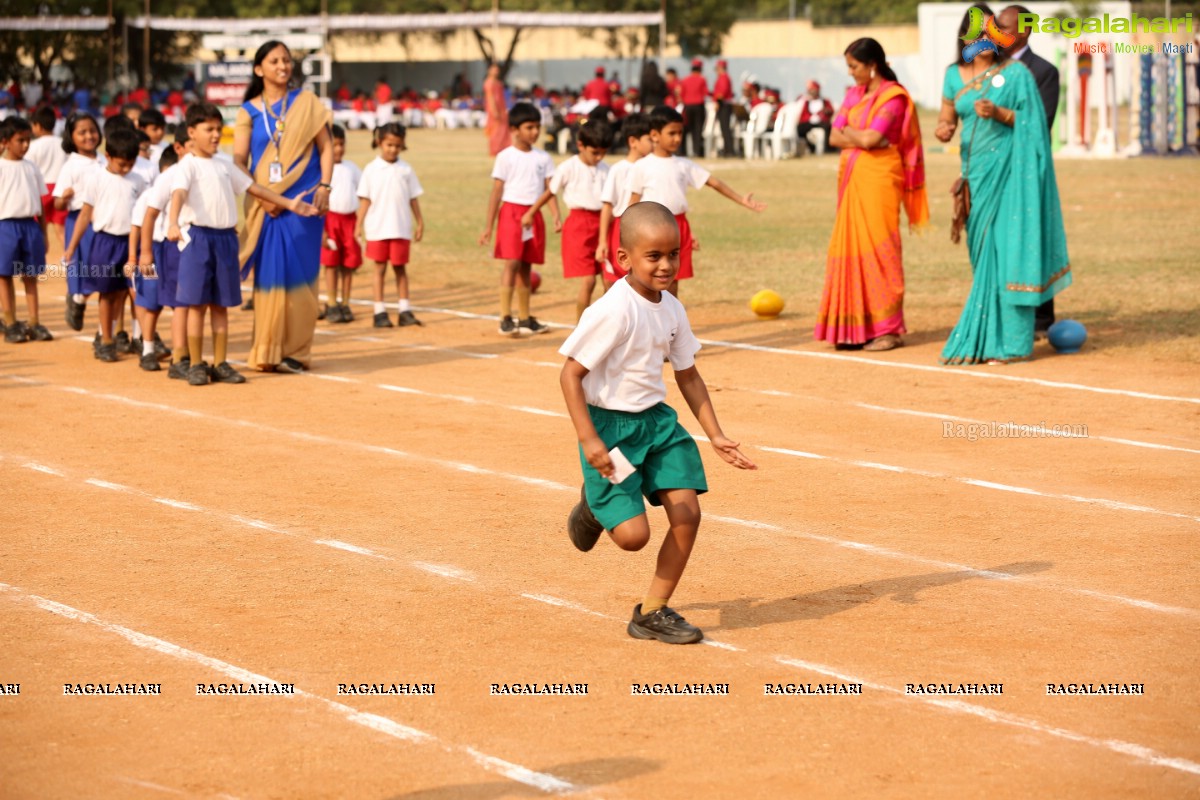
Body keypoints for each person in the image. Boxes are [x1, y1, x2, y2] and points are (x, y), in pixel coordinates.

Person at [559, 201, 757, 645]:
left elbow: (687, 374)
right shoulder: (613, 311)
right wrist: (588, 438)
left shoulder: (672, 309)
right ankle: (595, 506)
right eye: (654, 256)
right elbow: (570, 374)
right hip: (611, 433)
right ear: (623, 258)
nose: (666, 265)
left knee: (687, 513)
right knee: (633, 538)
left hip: (658, 427)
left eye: (674, 254)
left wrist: (716, 434)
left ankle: (652, 611)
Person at [935, 3, 1070, 365]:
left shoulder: (1016, 74)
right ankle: (985, 338)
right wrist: (944, 129)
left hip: (1011, 177)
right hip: (974, 177)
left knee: (1009, 253)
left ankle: (1011, 343)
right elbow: (946, 119)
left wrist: (1000, 113)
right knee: (982, 258)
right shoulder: (953, 74)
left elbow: (1036, 124)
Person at [169, 102, 318, 386]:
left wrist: (289, 204)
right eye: (208, 129)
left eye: (218, 129)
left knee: (221, 306)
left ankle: (221, 362)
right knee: (197, 305)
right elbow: (178, 194)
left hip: (226, 239)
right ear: (191, 132)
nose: (215, 135)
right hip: (198, 239)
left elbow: (255, 188)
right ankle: (197, 363)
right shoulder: (187, 165)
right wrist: (173, 222)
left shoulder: (225, 164)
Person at [816, 38, 928, 352]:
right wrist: (859, 138)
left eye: (854, 66)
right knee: (849, 248)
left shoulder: (893, 97)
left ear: (872, 65)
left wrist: (855, 135)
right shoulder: (853, 94)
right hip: (853, 180)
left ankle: (888, 329)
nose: (850, 73)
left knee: (881, 250)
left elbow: (872, 137)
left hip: (880, 180)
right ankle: (855, 329)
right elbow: (834, 136)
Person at [233, 40, 333, 374]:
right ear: (259, 69)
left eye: (287, 60)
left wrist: (325, 186)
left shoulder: (308, 103)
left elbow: (327, 148)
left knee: (302, 279)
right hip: (267, 206)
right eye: (275, 61)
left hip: (304, 203)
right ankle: (268, 350)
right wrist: (263, 197)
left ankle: (297, 352)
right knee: (270, 279)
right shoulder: (247, 112)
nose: (283, 66)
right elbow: (238, 161)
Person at [627, 106, 766, 296]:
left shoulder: (683, 165)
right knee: (647, 279)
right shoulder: (642, 166)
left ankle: (670, 323)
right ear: (655, 134)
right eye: (672, 133)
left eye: (680, 133)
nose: (677, 138)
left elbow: (714, 182)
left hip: (678, 226)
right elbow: (633, 203)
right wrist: (628, 234)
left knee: (672, 281)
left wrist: (741, 200)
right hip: (651, 228)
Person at [998, 3, 1061, 339]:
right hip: (994, 168)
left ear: (1023, 31)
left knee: (1033, 238)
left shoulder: (1044, 71)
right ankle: (1005, 309)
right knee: (1002, 243)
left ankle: (1040, 319)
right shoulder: (991, 67)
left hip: (1028, 169)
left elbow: (1042, 123)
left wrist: (1000, 115)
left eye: (1002, 29)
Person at [61, 129, 146, 363]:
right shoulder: (96, 178)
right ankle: (106, 339)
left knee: (128, 292)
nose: (126, 168)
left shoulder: (138, 181)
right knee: (107, 293)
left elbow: (144, 215)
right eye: (122, 164)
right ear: (108, 156)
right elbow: (85, 214)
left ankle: (138, 337)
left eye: (131, 163)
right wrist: (71, 247)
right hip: (105, 243)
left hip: (130, 243)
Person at [478, 102, 558, 336]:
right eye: (529, 127)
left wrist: (555, 215)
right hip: (511, 213)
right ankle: (505, 316)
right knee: (511, 262)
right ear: (514, 129)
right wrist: (488, 227)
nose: (534, 132)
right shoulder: (506, 157)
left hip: (534, 213)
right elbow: (497, 192)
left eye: (537, 127)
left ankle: (524, 317)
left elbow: (549, 189)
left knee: (526, 265)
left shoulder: (543, 157)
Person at [523, 118, 613, 320]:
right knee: (589, 280)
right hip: (579, 225)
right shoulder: (567, 167)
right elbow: (550, 192)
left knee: (610, 281)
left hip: (605, 223)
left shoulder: (608, 170)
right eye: (595, 152)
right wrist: (532, 212)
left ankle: (612, 326)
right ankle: (581, 327)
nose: (599, 157)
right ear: (581, 145)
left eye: (603, 152)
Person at [356, 122, 424, 329]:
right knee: (379, 269)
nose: (393, 149)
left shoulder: (406, 170)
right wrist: (358, 224)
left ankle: (404, 310)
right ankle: (379, 311)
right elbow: (365, 200)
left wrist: (420, 222)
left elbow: (413, 198)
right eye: (389, 145)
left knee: (400, 269)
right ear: (379, 143)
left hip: (401, 228)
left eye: (397, 146)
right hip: (378, 228)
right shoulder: (371, 169)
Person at [0, 117, 52, 343]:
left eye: (28, 140)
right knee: (4, 275)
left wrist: (43, 231)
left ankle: (34, 321)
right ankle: (10, 321)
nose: (25, 145)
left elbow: (39, 204)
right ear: (5, 141)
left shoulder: (32, 167)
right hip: (5, 225)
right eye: (20, 140)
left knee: (30, 275)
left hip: (30, 225)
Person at [53, 112, 105, 335]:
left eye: (92, 131)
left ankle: (81, 299)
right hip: (80, 223)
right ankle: (76, 298)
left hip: (104, 221)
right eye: (82, 132)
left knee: (104, 271)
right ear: (71, 137)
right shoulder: (71, 166)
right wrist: (64, 198)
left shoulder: (106, 160)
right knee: (82, 268)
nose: (89, 136)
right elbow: (56, 205)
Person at [132, 146, 182, 372]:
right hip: (151, 249)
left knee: (179, 302)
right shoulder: (148, 195)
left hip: (175, 249)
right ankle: (148, 349)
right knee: (150, 301)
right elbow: (137, 226)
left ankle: (182, 354)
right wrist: (139, 255)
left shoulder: (185, 192)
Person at [597, 113, 653, 285]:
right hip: (621, 228)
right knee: (614, 279)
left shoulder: (652, 167)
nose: (654, 143)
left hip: (646, 228)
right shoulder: (618, 170)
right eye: (649, 139)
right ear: (633, 142)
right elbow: (607, 207)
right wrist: (602, 242)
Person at [320, 124, 362, 324]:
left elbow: (363, 194)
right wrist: (323, 230)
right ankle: (331, 302)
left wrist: (360, 224)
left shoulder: (352, 168)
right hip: (330, 220)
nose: (338, 149)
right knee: (331, 263)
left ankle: (345, 302)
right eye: (334, 145)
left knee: (348, 263)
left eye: (341, 144)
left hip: (349, 221)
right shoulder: (321, 168)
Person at [27, 107, 67, 255]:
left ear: (38, 125)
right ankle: (71, 257)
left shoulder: (32, 146)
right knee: (60, 228)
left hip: (41, 189)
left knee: (37, 226)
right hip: (60, 189)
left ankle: (35, 255)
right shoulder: (63, 143)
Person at [679, 59, 708, 158]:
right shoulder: (702, 79)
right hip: (698, 106)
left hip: (687, 107)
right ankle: (697, 151)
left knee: (686, 129)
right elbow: (705, 92)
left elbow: (681, 95)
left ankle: (683, 151)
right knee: (698, 129)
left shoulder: (685, 80)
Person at [796, 80, 835, 153]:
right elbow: (802, 115)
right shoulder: (806, 102)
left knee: (827, 128)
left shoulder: (825, 101)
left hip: (821, 122)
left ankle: (827, 149)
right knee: (800, 129)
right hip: (809, 123)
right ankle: (810, 148)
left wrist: (826, 111)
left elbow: (831, 111)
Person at [483, 63, 512, 157]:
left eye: (497, 70)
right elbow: (490, 98)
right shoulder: (489, 82)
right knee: (495, 131)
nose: (496, 72)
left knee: (504, 130)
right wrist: (494, 110)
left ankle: (503, 148)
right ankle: (495, 149)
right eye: (494, 69)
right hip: (494, 110)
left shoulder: (498, 83)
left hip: (502, 109)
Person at [711, 60, 735, 157]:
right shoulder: (722, 77)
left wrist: (717, 102)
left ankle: (729, 150)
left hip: (724, 105)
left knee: (725, 128)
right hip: (723, 104)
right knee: (724, 128)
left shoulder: (724, 78)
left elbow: (722, 93)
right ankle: (727, 149)